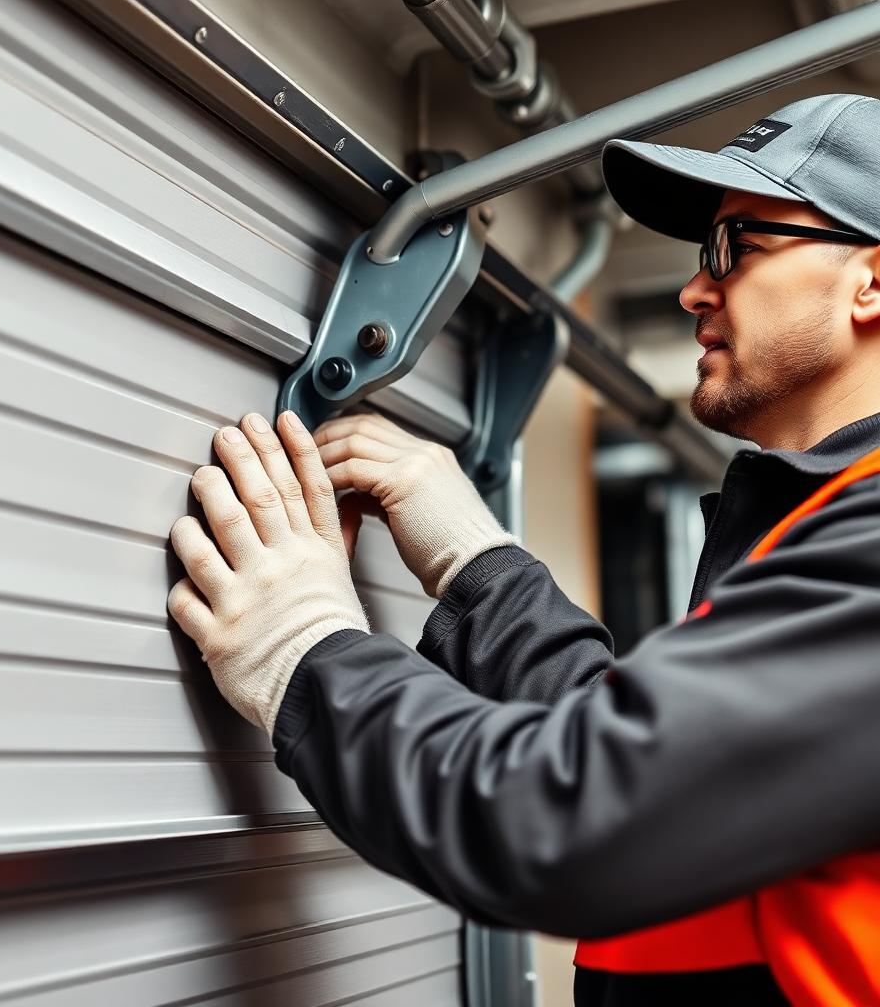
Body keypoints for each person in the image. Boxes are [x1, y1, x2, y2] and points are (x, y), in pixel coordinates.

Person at [167, 94, 880, 1005]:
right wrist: (475, 563)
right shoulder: (821, 524)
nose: (695, 288)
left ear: (871, 281)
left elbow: (581, 815)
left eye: (734, 245)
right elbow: (655, 774)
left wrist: (306, 652)